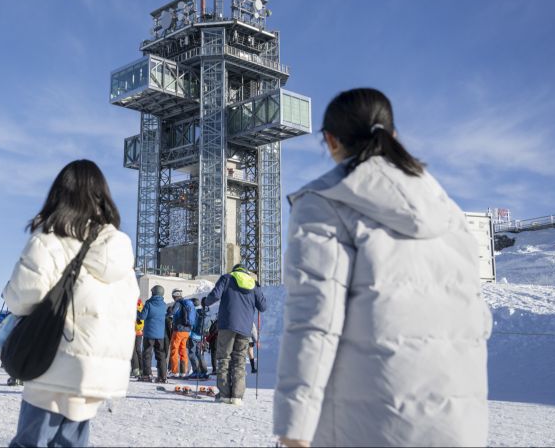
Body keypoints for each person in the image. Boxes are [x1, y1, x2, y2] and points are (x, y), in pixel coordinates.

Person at [273, 88, 491, 447]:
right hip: (458, 428)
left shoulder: (324, 204)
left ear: (330, 141)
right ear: (393, 135)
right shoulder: (449, 213)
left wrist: (294, 429)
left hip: (367, 425)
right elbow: (476, 319)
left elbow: (314, 322)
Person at [5, 159, 138, 448]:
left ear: (59, 194)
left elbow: (22, 299)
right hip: (94, 373)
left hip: (52, 361)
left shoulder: (51, 240)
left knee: (32, 441)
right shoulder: (119, 249)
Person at [203, 264, 266, 406]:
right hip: (245, 329)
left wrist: (205, 302)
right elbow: (263, 306)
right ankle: (237, 396)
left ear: (235, 271)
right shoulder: (253, 283)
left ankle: (225, 394)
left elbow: (215, 296)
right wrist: (258, 289)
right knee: (240, 361)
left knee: (224, 359)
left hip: (227, 326)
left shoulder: (227, 278)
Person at [138, 285, 167, 383]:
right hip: (160, 335)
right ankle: (162, 376)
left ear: (154, 293)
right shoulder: (164, 305)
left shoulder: (149, 304)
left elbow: (142, 316)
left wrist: (137, 312)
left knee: (147, 354)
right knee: (161, 355)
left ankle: (147, 374)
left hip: (149, 334)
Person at [168, 288, 195, 377]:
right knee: (183, 350)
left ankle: (175, 371)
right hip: (187, 331)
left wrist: (168, 312)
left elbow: (172, 312)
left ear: (174, 296)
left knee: (174, 349)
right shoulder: (187, 303)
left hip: (179, 330)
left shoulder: (178, 303)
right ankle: (183, 371)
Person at [186, 298, 208, 379]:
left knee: (192, 353)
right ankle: (204, 371)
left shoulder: (194, 312)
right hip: (201, 336)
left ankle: (196, 371)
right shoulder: (204, 311)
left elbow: (191, 323)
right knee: (199, 353)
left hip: (194, 335)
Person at [131, 298, 143, 378]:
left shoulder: (132, 308)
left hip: (132, 331)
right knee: (138, 350)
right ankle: (142, 370)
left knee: (133, 351)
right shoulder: (142, 307)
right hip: (140, 332)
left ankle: (135, 370)